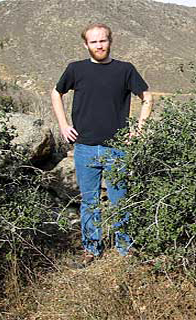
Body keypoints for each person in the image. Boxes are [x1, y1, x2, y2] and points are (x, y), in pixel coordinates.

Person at [51, 23, 153, 262]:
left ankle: (124, 250)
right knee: (89, 201)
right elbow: (56, 93)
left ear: (110, 41)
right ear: (86, 44)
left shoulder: (125, 70)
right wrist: (63, 125)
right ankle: (91, 249)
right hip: (84, 147)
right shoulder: (75, 69)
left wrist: (139, 128)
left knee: (119, 199)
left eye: (103, 40)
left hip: (116, 148)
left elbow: (147, 97)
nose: (99, 45)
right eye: (94, 42)